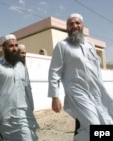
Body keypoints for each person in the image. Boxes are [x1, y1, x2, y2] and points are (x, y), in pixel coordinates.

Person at [48, 13, 113, 141]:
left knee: (106, 123)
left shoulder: (90, 46)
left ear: (82, 26)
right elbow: (54, 71)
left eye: (77, 23)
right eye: (71, 24)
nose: (74, 26)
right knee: (94, 126)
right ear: (67, 28)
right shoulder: (62, 46)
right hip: (77, 92)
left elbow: (96, 71)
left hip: (96, 91)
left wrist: (103, 90)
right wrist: (55, 96)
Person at [0, 34, 39, 141]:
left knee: (27, 137)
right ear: (3, 48)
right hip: (5, 113)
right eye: (11, 46)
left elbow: (27, 87)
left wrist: (31, 106)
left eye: (16, 45)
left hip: (23, 111)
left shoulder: (21, 66)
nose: (15, 49)